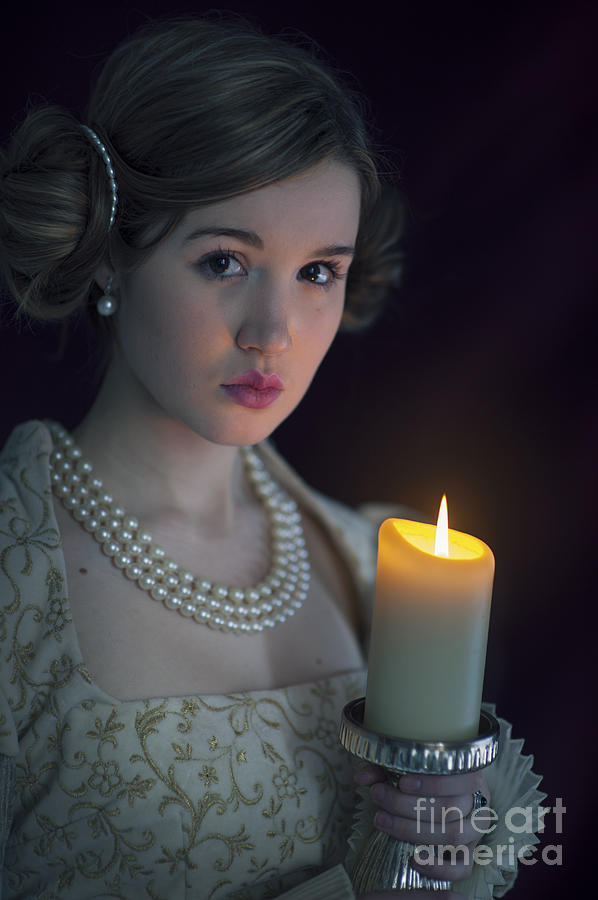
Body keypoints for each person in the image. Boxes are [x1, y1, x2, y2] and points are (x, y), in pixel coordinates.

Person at [0, 16, 543, 900]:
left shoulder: (381, 573)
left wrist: (439, 859)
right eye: (224, 260)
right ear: (107, 257)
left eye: (318, 273)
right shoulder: (15, 582)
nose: (273, 334)